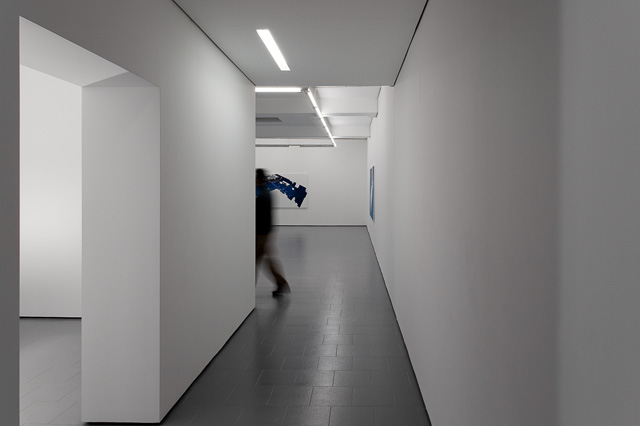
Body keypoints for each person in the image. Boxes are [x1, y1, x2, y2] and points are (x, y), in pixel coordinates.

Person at [255, 168, 291, 296]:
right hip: (266, 232)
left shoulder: (262, 196)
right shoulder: (267, 194)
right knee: (268, 260)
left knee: (255, 260)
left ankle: (247, 289)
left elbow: (258, 217)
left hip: (262, 234)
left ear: (258, 179)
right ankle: (281, 284)